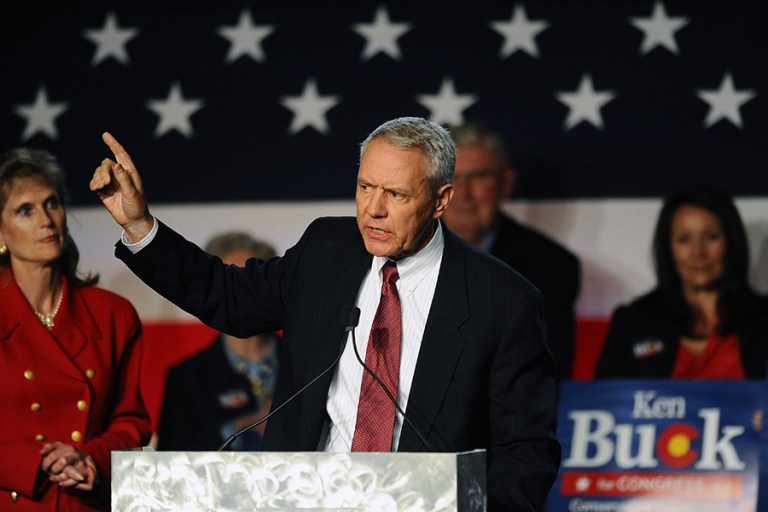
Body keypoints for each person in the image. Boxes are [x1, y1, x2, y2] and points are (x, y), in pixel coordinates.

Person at [90, 116, 560, 510]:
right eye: (364, 186)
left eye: (396, 195)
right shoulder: (326, 250)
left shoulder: (503, 300)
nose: (373, 210)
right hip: (303, 497)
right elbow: (227, 296)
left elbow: (526, 452)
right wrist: (138, 225)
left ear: (441, 200)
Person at [0, 148, 152, 511]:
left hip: (83, 499)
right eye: (25, 210)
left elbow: (130, 423)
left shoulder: (113, 314)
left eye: (52, 204)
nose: (46, 220)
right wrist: (34, 462)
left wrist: (91, 460)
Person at [442, 122, 581, 382]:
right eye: (451, 177)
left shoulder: (553, 267)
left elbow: (548, 372)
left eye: (479, 177)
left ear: (506, 183)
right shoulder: (402, 253)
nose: (463, 193)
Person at [594, 185, 768, 379]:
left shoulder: (762, 320)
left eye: (711, 237)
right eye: (684, 239)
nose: (698, 252)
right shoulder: (633, 321)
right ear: (668, 248)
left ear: (732, 242)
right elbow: (603, 400)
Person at [157, 232, 279, 451]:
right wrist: (237, 429)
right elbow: (170, 464)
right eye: (232, 282)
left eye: (252, 280)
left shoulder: (310, 363)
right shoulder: (186, 377)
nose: (244, 293)